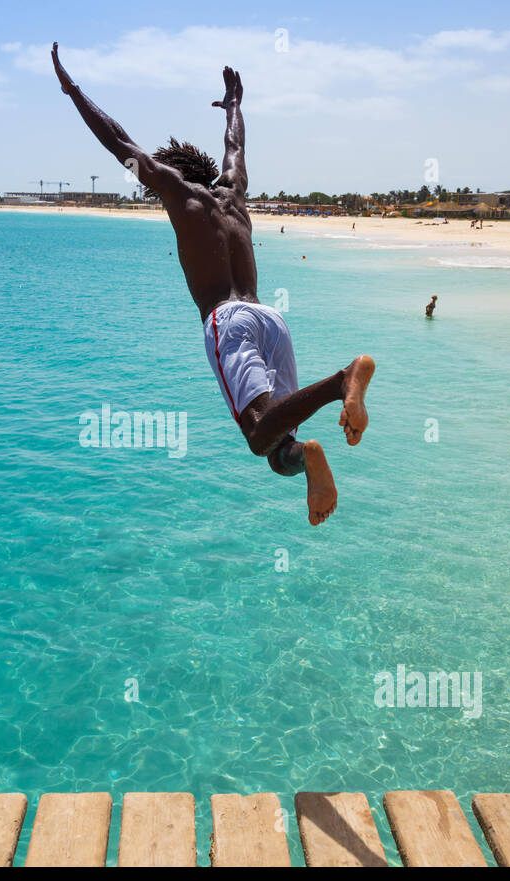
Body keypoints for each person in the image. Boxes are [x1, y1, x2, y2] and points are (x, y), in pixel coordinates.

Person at [52, 44, 374, 526]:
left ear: (171, 172)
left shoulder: (177, 193)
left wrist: (72, 90)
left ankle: (341, 381)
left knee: (258, 432)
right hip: (271, 319)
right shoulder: (234, 195)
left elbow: (119, 143)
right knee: (277, 447)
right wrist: (234, 106)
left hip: (230, 321)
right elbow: (236, 148)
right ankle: (308, 456)